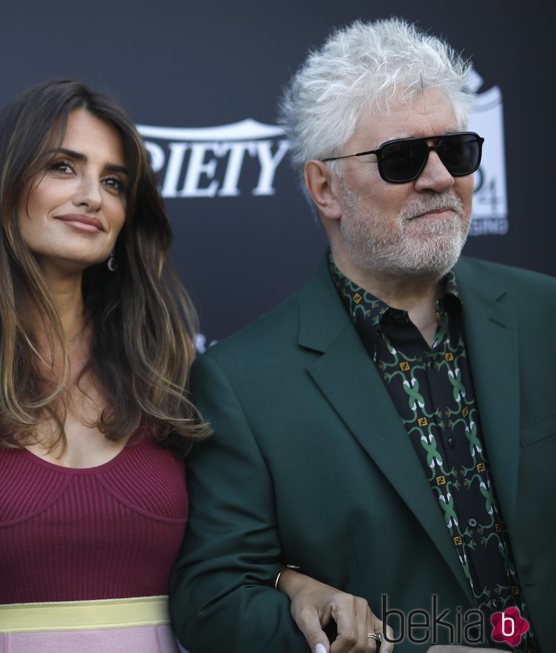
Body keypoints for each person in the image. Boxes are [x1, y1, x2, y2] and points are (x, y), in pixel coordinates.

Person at [0, 79, 378, 653]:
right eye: (63, 168)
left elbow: (229, 552)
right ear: (4, 186)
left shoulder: (166, 372)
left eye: (113, 181)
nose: (93, 196)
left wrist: (293, 583)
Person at [170, 17, 554, 653]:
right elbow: (217, 600)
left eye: (455, 150)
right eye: (401, 159)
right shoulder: (243, 384)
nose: (438, 178)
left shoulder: (546, 315)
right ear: (325, 188)